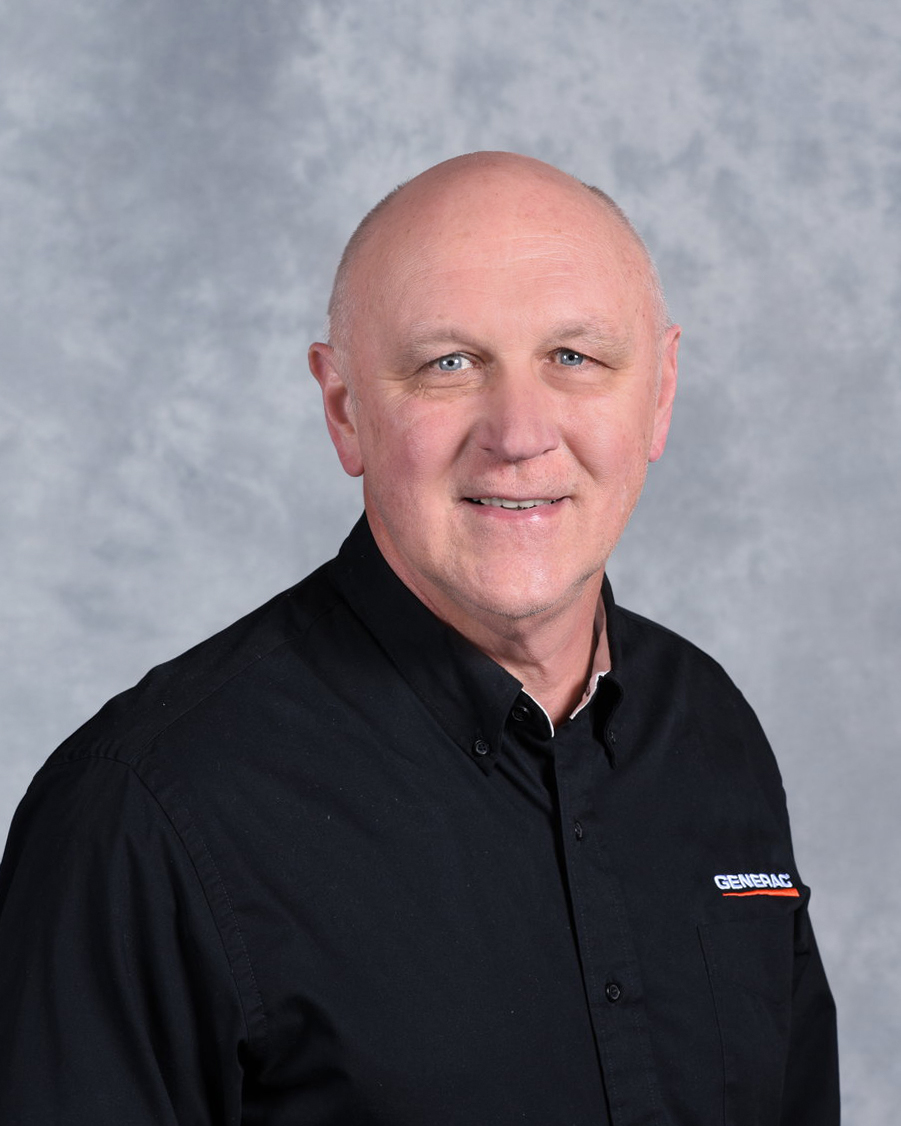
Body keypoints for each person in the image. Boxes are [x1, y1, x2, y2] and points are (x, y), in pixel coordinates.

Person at [0, 152, 839, 1124]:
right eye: (450, 363)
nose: (520, 432)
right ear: (344, 407)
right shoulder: (138, 820)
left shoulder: (711, 732)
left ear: (657, 393)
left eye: (574, 357)